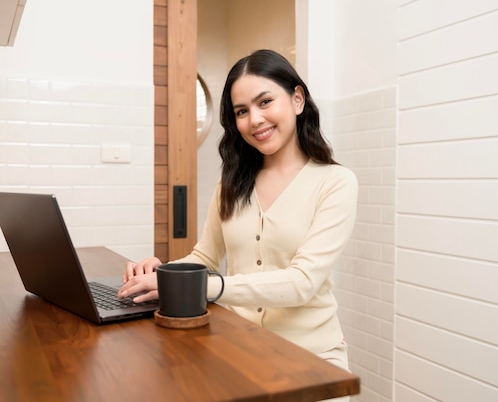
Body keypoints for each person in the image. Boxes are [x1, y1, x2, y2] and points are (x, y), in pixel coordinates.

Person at [119, 49, 358, 374]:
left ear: (297, 99)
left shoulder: (336, 183)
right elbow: (205, 257)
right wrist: (163, 273)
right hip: (238, 348)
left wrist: (205, 287)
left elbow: (303, 282)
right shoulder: (232, 182)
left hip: (312, 362)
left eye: (265, 102)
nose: (254, 120)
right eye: (242, 111)